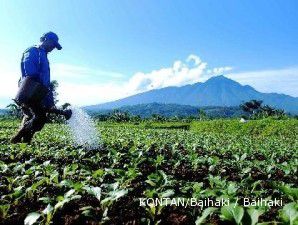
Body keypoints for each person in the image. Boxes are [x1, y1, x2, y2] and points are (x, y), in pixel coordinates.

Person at [11, 31, 71, 144]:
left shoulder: (43, 55)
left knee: (31, 116)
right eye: (52, 43)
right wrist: (36, 83)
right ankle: (17, 138)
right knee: (40, 117)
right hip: (30, 89)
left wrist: (48, 96)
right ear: (44, 39)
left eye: (55, 46)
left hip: (40, 90)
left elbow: (45, 80)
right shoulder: (33, 50)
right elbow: (30, 70)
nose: (53, 47)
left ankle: (25, 142)